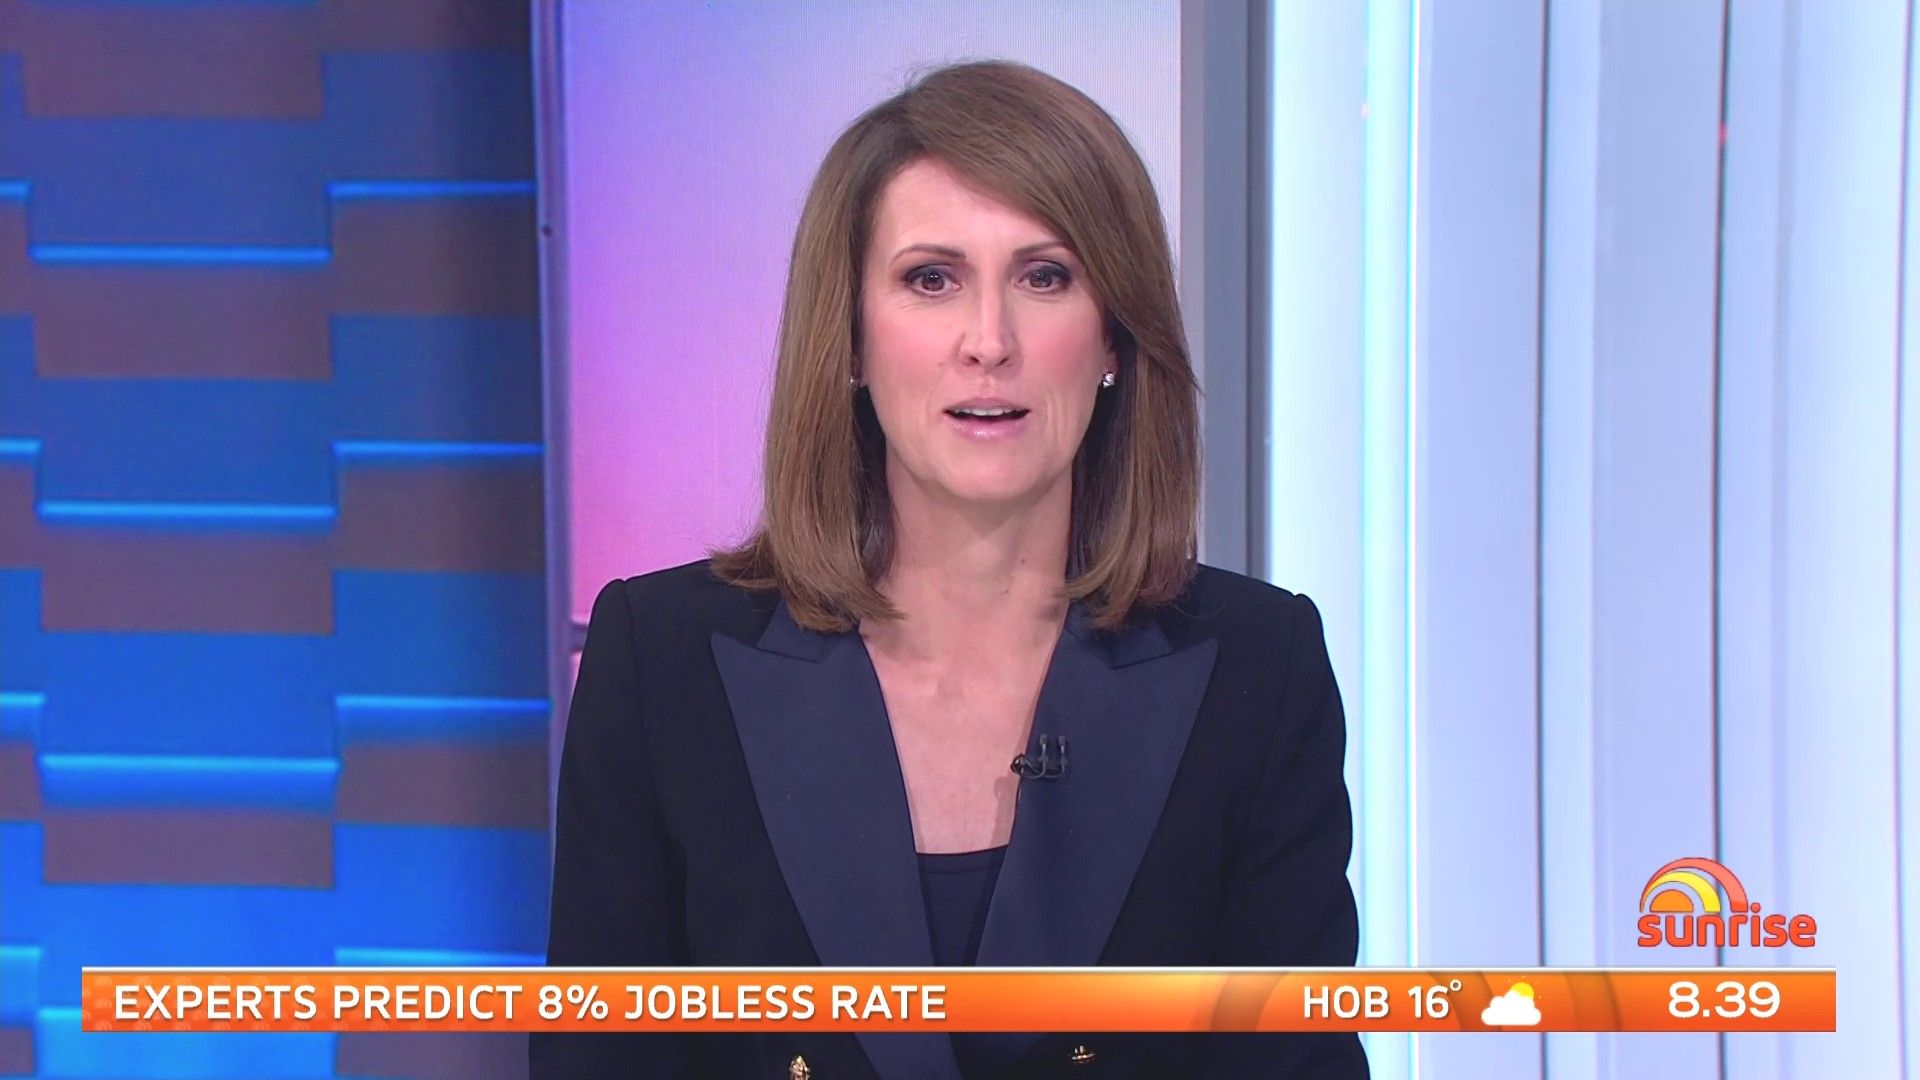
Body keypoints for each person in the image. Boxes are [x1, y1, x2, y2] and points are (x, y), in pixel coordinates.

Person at [532, 59, 1368, 1079]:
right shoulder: (663, 663)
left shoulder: (1259, 669)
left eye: (1044, 277)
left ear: (1114, 335)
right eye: (932, 279)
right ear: (849, 338)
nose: (989, 341)